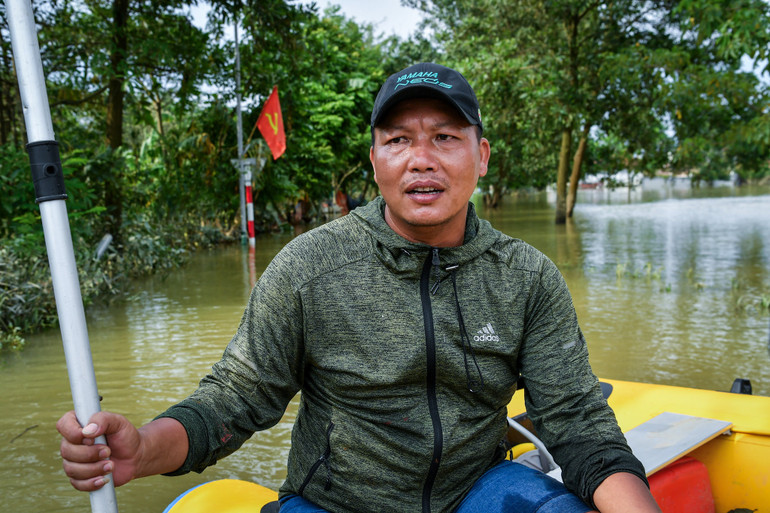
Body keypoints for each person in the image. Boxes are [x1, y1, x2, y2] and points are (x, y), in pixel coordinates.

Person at [57, 62, 661, 513]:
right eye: (398, 139)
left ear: (481, 157)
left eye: (445, 137)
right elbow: (234, 400)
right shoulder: (309, 267)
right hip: (333, 503)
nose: (421, 159)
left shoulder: (526, 277)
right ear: (374, 161)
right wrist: (140, 448)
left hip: (476, 492)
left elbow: (579, 426)